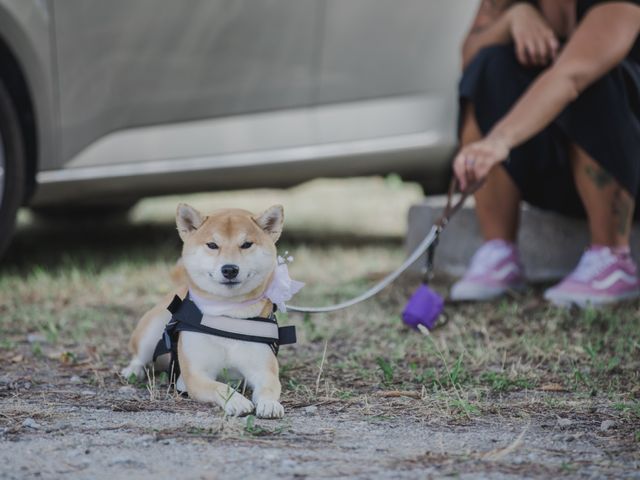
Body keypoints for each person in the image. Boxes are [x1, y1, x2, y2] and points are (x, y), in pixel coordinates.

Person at [450, 0, 640, 307]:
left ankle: (613, 259)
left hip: (630, 161)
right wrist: (512, 19)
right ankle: (499, 251)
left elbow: (572, 74)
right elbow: (468, 58)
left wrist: (499, 140)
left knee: (598, 75)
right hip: (562, 169)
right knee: (488, 65)